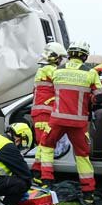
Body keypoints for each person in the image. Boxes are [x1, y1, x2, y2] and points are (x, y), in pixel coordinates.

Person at [37, 41, 102, 205]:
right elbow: (100, 96)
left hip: (57, 119)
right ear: (85, 56)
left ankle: (46, 181)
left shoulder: (57, 71)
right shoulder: (91, 73)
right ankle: (88, 193)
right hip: (78, 122)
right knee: (82, 156)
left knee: (46, 147)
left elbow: (49, 90)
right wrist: (90, 99)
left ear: (70, 53)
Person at [29, 42, 67, 182]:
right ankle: (45, 176)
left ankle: (36, 172)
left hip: (42, 112)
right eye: (60, 58)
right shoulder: (48, 70)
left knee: (42, 144)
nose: (61, 61)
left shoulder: (43, 70)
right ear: (53, 57)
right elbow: (63, 81)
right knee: (45, 145)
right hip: (44, 112)